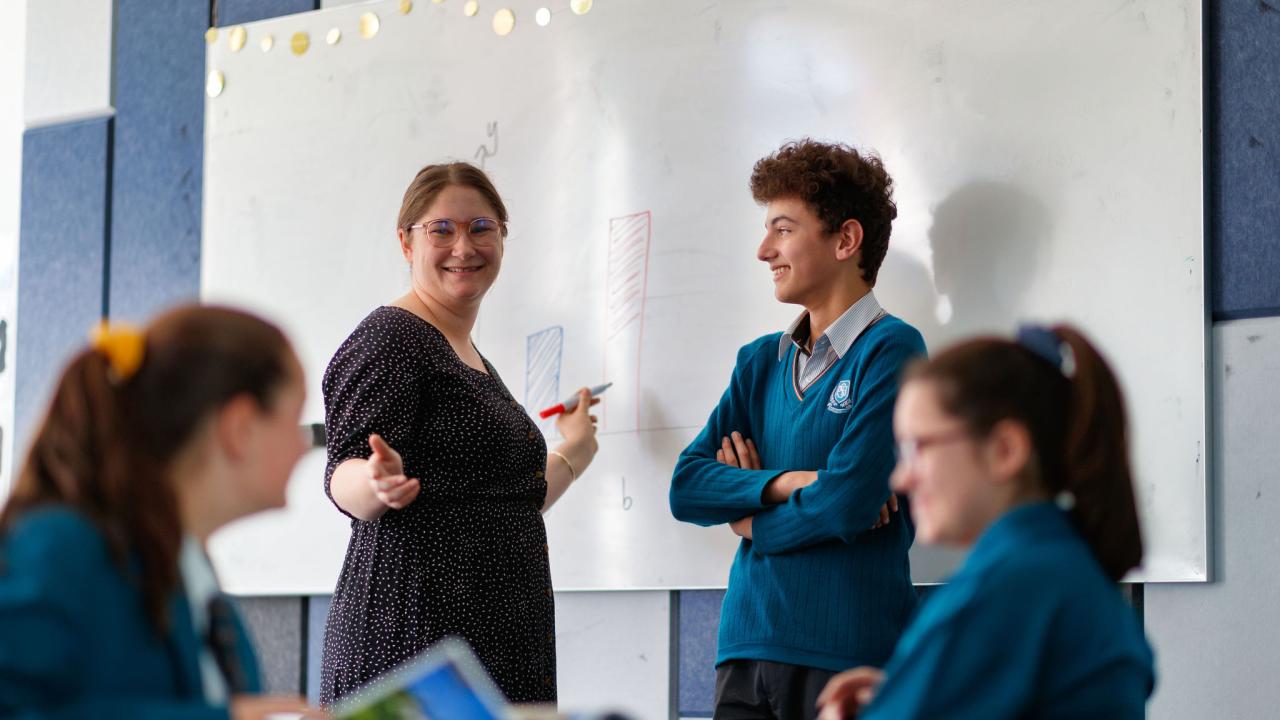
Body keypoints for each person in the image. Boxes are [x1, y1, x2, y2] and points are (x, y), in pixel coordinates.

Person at [319, 162, 599, 705]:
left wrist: (577, 449)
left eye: (481, 228)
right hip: (416, 646)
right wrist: (374, 487)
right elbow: (345, 471)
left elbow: (510, 499)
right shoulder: (391, 340)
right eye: (441, 230)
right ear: (406, 243)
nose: (463, 247)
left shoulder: (468, 354)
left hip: (490, 646)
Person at [669, 139, 925, 719]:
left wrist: (746, 520)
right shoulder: (759, 361)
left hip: (848, 653)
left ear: (845, 240)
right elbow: (686, 487)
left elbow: (848, 504)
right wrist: (787, 483)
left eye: (782, 230)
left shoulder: (892, 349)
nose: (764, 250)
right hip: (744, 645)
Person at [816, 325, 1156, 719]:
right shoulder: (1067, 568)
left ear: (1005, 449)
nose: (899, 478)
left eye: (918, 447)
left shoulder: (1002, 590)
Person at [0, 306, 316, 719]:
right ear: (240, 428)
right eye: (294, 421)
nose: (304, 447)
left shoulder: (193, 582)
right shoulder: (59, 549)